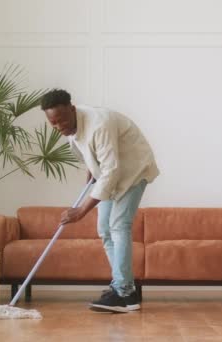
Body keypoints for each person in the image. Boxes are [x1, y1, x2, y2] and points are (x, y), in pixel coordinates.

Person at [40, 89, 159, 313]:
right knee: (104, 229)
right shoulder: (69, 125)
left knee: (118, 225)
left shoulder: (99, 124)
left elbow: (112, 171)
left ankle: (123, 292)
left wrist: (81, 211)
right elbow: (93, 153)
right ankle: (126, 288)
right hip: (110, 173)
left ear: (72, 109)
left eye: (62, 120)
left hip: (133, 171)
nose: (59, 127)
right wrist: (91, 167)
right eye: (53, 123)